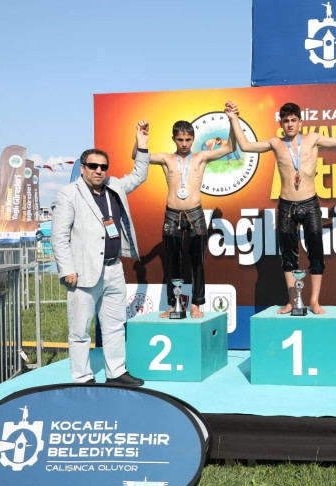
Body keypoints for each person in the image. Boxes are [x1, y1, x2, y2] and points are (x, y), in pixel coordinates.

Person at [228, 99, 336, 314]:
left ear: (301, 122)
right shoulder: (275, 143)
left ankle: (314, 301)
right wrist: (234, 119)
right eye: (286, 121)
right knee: (288, 255)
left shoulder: (313, 139)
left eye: (293, 120)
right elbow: (245, 146)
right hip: (286, 205)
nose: (290, 124)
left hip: (309, 203)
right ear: (280, 123)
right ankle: (292, 301)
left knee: (316, 252)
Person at [51, 122, 150, 386]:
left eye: (103, 167)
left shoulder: (114, 186)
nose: (98, 171)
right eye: (93, 166)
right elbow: (59, 236)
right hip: (82, 272)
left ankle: (116, 372)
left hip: (114, 268)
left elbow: (139, 175)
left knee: (115, 325)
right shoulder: (68, 194)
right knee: (80, 330)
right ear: (82, 168)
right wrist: (67, 269)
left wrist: (142, 144)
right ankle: (82, 377)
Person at [146, 110, 237, 318]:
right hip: (172, 214)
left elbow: (230, 147)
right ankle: (174, 304)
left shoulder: (201, 157)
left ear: (193, 139)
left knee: (197, 262)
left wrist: (232, 120)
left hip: (195, 213)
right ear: (174, 139)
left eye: (188, 140)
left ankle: (196, 304)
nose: (184, 144)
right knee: (172, 262)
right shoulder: (166, 159)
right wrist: (141, 139)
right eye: (180, 140)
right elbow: (138, 156)